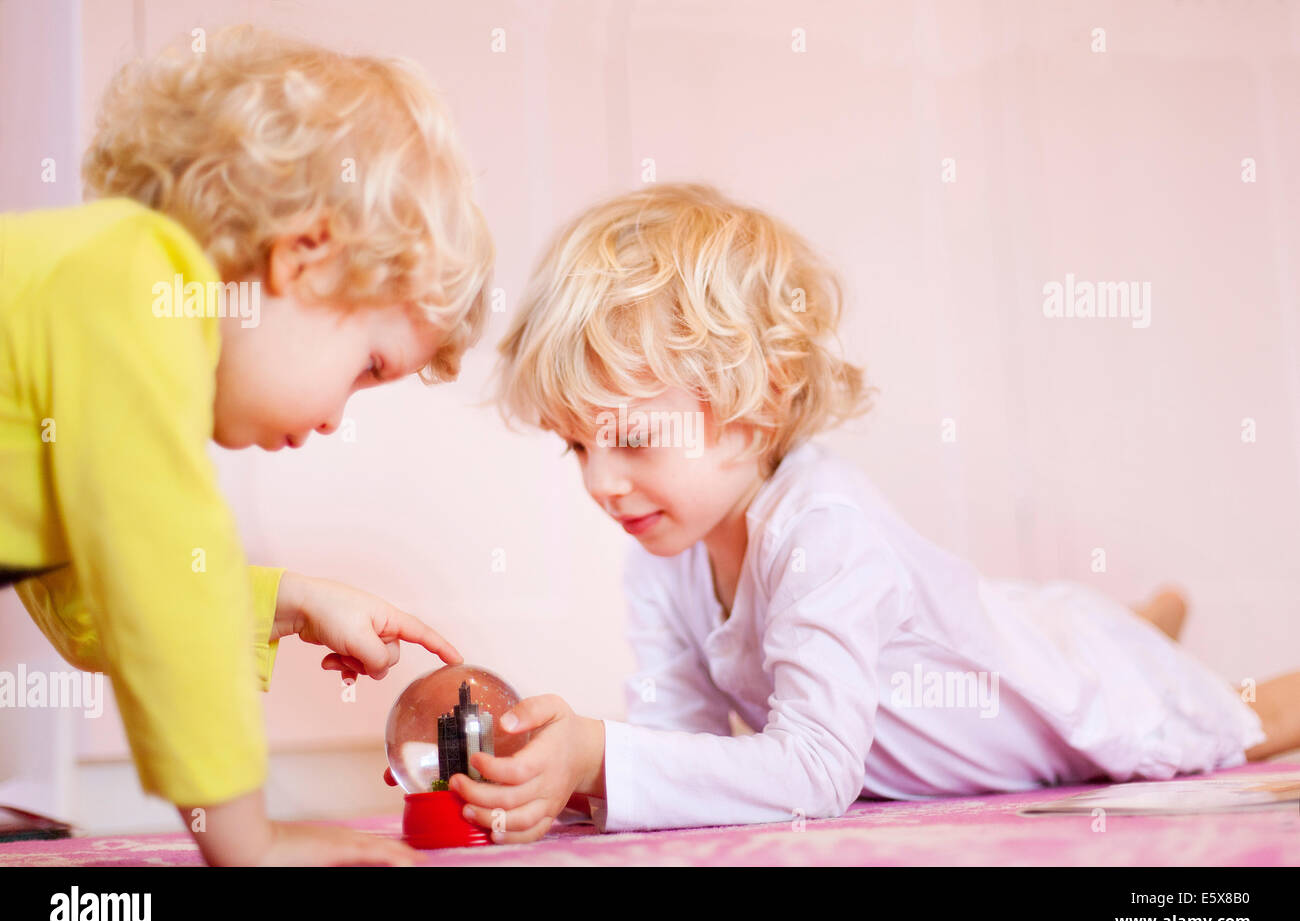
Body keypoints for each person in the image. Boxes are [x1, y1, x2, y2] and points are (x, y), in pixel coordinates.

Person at [459, 182, 1300, 841]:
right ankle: (1138, 624)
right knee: (1067, 633)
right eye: (577, 447)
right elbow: (679, 739)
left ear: (755, 408)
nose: (601, 483)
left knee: (1224, 716)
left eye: (633, 438)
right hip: (1016, 633)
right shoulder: (659, 551)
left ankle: (1137, 633)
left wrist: (599, 754)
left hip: (1070, 689)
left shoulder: (824, 530)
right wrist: (570, 778)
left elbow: (816, 772)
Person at [0, 26, 493, 864]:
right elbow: (160, 583)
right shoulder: (133, 284)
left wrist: (288, 602)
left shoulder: (104, 304)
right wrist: (245, 839)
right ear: (303, 255)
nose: (339, 416)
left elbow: (94, 606)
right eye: (368, 365)